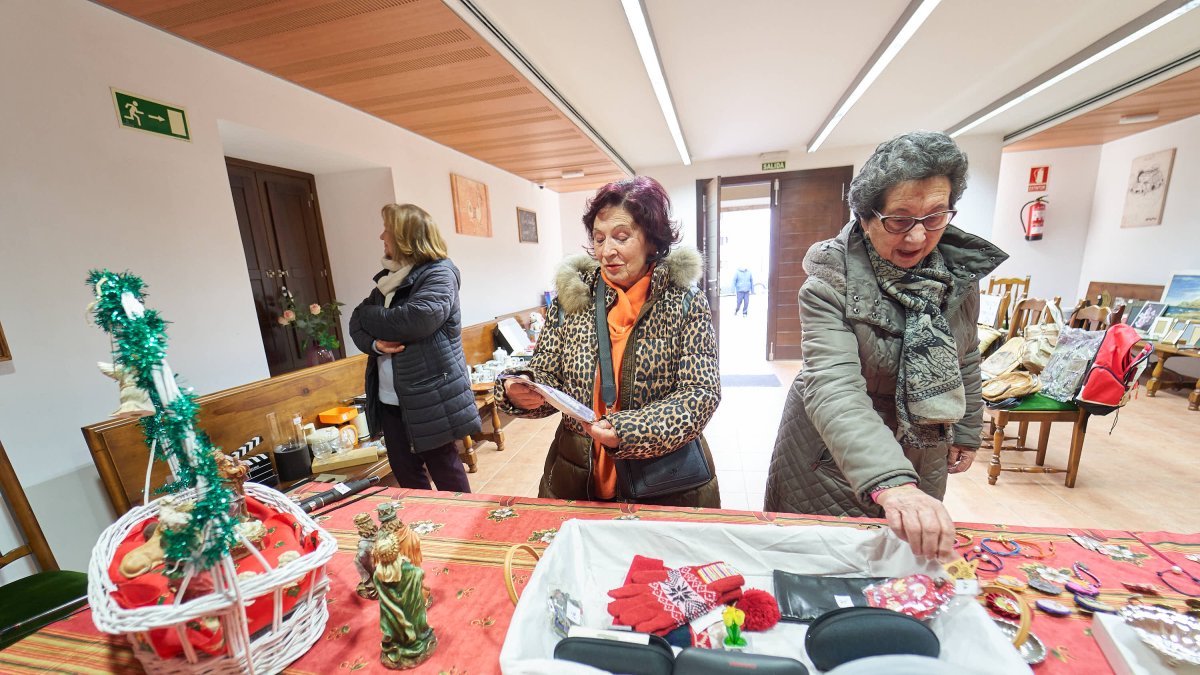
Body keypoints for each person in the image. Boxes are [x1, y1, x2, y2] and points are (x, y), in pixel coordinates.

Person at [764, 131, 1007, 561]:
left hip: (923, 454)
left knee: (898, 570)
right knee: (821, 568)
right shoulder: (829, 283)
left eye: (935, 217)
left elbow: (965, 355)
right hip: (832, 459)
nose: (917, 237)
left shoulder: (957, 278)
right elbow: (833, 387)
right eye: (899, 220)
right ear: (865, 217)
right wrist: (891, 481)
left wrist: (968, 430)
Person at [493, 176, 721, 506]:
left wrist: (629, 431)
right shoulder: (573, 299)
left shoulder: (684, 301)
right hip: (578, 472)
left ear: (652, 240)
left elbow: (700, 392)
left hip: (664, 479)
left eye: (621, 237)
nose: (606, 251)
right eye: (599, 238)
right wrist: (525, 391)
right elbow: (547, 373)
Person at [349, 203, 480, 492]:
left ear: (406, 237)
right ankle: (424, 519)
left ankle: (463, 519)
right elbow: (355, 324)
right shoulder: (390, 279)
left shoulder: (440, 274)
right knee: (406, 473)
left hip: (430, 394)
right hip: (389, 398)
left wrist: (368, 315)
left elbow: (413, 321)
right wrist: (375, 344)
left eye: (387, 231)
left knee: (444, 469)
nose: (381, 236)